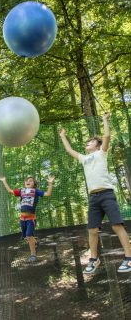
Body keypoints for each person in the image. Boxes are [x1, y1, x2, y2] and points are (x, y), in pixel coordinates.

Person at [59, 113, 131, 274]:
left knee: (116, 225)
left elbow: (106, 135)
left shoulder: (101, 154)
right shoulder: (84, 158)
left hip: (107, 194)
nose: (87, 143)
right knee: (92, 230)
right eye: (87, 142)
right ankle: (94, 259)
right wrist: (63, 136)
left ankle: (129, 257)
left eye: (90, 141)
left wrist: (105, 120)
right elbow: (69, 150)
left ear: (97, 146)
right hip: (94, 198)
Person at [0, 175, 54, 262]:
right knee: (26, 237)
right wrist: (4, 181)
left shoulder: (36, 191)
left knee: (29, 235)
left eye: (31, 180)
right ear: (24, 183)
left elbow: (48, 194)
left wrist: (50, 183)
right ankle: (35, 242)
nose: (28, 181)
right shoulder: (21, 191)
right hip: (22, 219)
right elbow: (9, 191)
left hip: (31, 219)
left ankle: (33, 255)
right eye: (27, 180)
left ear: (34, 184)